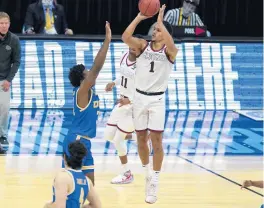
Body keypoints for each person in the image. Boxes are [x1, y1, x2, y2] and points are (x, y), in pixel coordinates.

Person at [122, 5, 178, 204]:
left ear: (165, 34)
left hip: (157, 99)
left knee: (157, 141)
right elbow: (125, 37)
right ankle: (146, 173)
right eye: (154, 28)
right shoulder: (143, 46)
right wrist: (138, 17)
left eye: (158, 29)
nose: (154, 31)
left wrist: (162, 23)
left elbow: (173, 47)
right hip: (139, 97)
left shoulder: (170, 51)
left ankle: (155, 179)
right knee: (140, 139)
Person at [62, 21, 111, 185]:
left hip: (81, 141)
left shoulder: (87, 93)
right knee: (82, 186)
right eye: (87, 72)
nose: (90, 73)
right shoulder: (82, 91)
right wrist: (108, 40)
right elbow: (97, 67)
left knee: (88, 187)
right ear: (83, 79)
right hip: (77, 141)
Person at [103, 46, 138, 184]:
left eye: (135, 47)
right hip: (121, 103)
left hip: (133, 106)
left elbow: (145, 89)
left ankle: (127, 173)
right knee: (108, 135)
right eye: (131, 44)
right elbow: (123, 77)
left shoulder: (142, 66)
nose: (132, 48)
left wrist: (130, 100)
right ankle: (139, 136)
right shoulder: (124, 56)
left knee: (118, 140)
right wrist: (113, 82)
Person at [44, 141, 102, 208]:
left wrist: (48, 206)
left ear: (64, 157)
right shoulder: (87, 181)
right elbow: (97, 206)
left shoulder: (63, 177)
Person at [0, 12, 21, 150]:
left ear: (9, 24)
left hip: (4, 81)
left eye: (6, 23)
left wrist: (9, 79)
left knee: (5, 109)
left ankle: (3, 135)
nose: (4, 26)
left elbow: (17, 61)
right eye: (1, 23)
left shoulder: (14, 40)